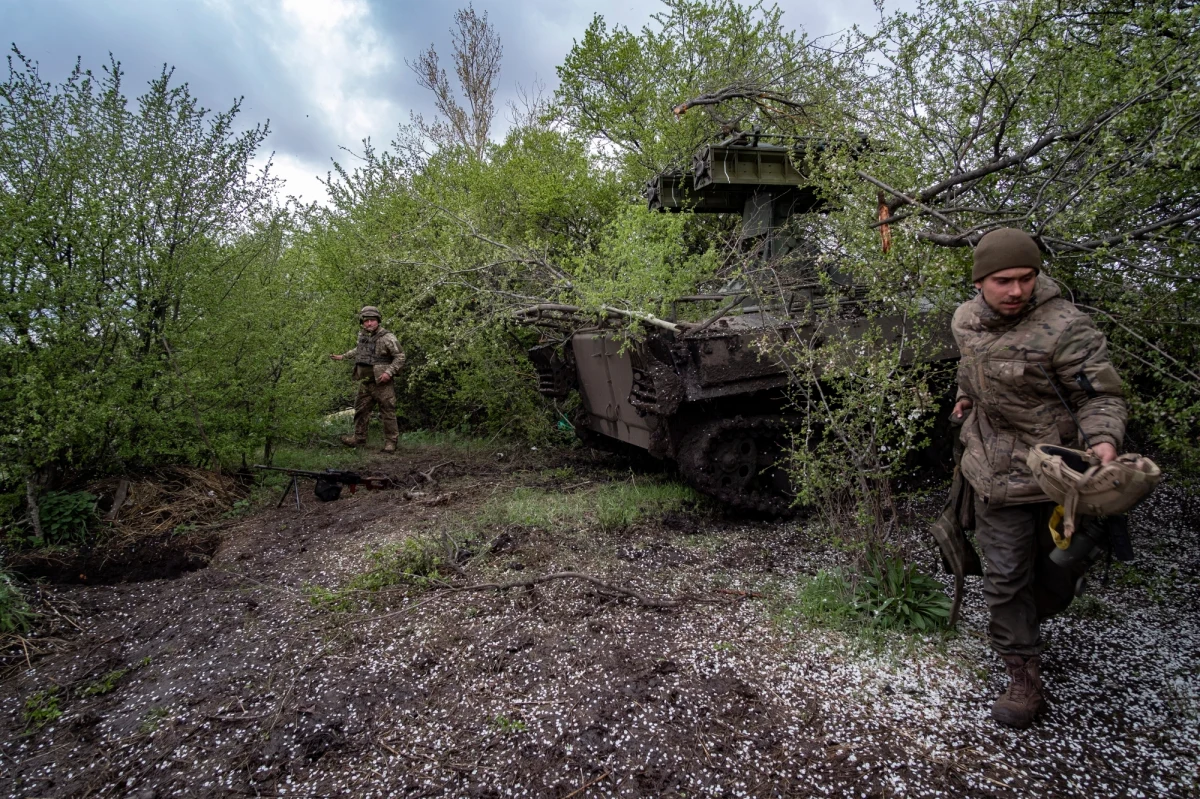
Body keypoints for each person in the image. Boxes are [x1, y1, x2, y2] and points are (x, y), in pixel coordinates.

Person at [950, 228, 1126, 729]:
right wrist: (966, 397)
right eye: (1003, 280)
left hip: (1056, 473)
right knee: (1005, 577)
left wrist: (1104, 442)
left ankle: (1027, 622)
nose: (1016, 291)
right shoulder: (965, 320)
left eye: (1026, 278)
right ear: (980, 281)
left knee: (1058, 573)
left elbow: (1100, 396)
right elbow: (971, 366)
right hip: (991, 471)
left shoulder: (1067, 327)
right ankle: (1022, 673)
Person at [329, 306, 405, 453]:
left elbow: (400, 357)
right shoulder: (363, 336)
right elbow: (359, 350)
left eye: (372, 320)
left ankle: (391, 442)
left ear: (378, 321)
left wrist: (389, 372)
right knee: (360, 410)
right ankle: (358, 439)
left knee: (387, 412)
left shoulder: (387, 337)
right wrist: (343, 356)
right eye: (366, 321)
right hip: (365, 381)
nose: (369, 323)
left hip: (382, 382)